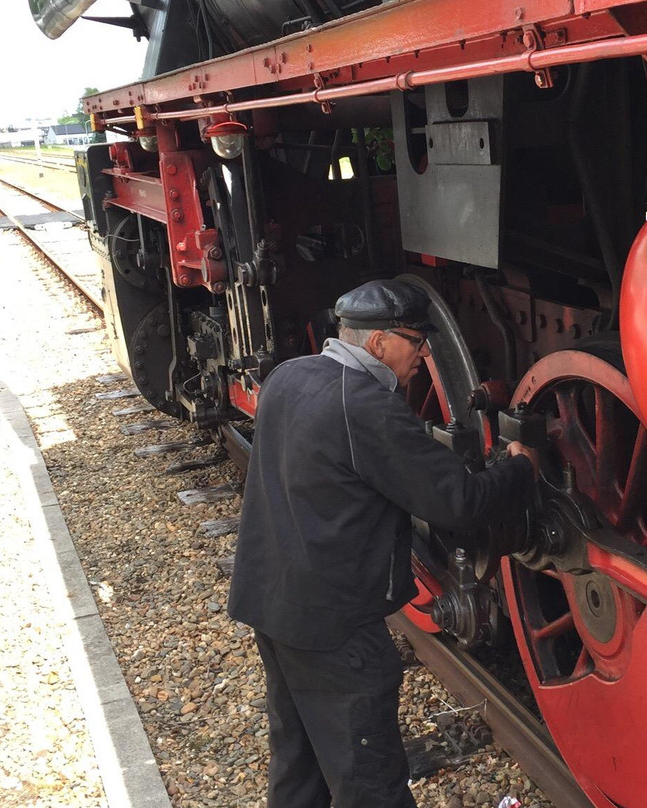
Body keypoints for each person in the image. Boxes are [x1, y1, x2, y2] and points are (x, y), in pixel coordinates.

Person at [228, 278, 538, 808]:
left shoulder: (288, 376)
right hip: (336, 629)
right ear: (378, 342)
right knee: (370, 780)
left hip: (271, 606)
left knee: (298, 764)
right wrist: (519, 470)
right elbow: (457, 500)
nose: (423, 354)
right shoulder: (366, 406)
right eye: (416, 341)